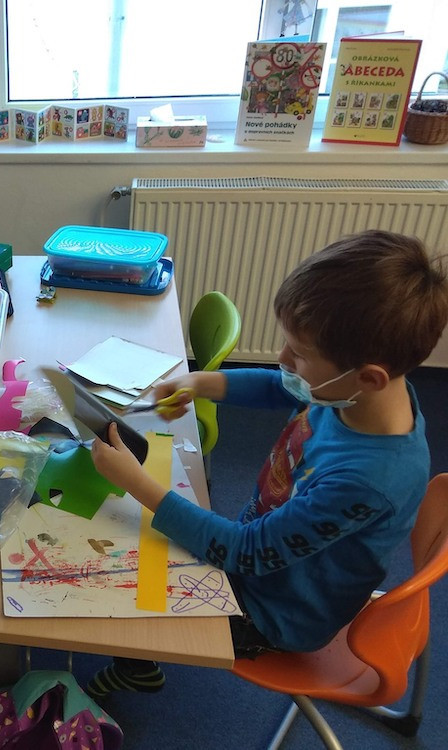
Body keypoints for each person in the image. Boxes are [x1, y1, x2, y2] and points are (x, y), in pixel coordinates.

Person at [86, 230, 448, 700]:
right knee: (138, 535)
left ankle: (137, 664)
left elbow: (244, 552)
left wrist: (137, 483)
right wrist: (202, 382)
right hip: (268, 557)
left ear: (369, 377)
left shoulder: (367, 480)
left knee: (118, 580)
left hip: (273, 614)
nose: (282, 358)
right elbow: (284, 386)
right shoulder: (360, 396)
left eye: (300, 354)